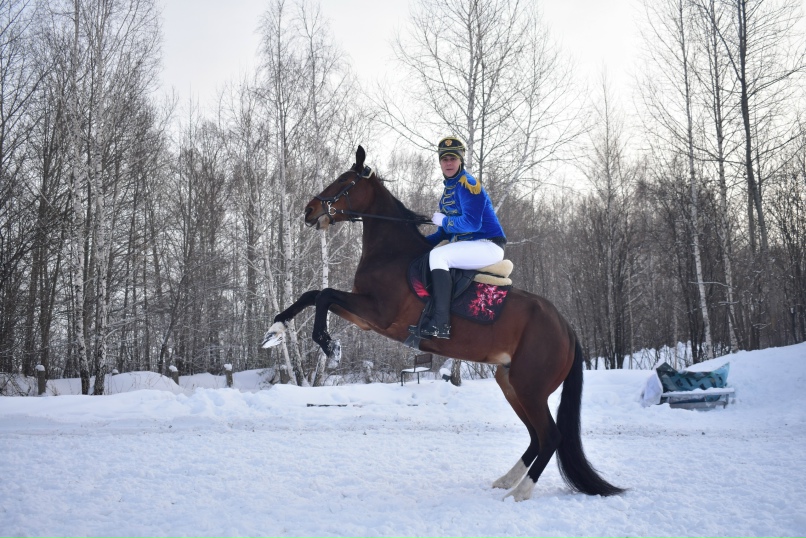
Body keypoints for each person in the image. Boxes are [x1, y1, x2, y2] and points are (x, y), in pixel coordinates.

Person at [410, 136, 507, 339]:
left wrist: (444, 221)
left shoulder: (468, 184)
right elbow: (444, 234)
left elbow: (473, 223)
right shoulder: (448, 192)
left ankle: (441, 324)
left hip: (488, 244)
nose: (448, 163)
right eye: (444, 159)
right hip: (472, 246)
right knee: (433, 254)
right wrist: (417, 245)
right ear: (439, 162)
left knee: (439, 257)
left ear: (460, 160)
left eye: (453, 158)